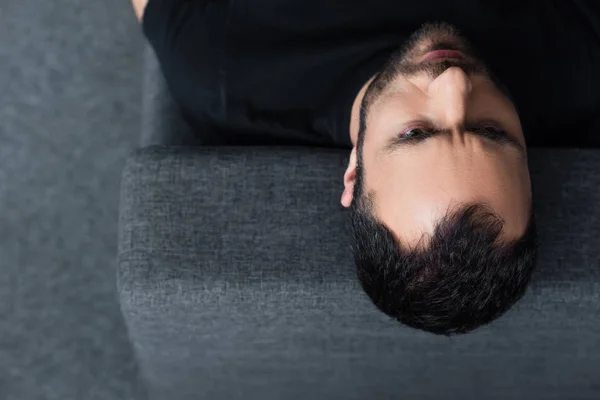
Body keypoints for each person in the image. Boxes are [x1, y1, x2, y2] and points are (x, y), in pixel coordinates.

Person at [130, 0, 600, 334]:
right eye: (493, 132)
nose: (454, 83)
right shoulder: (581, 64)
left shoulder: (223, 71)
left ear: (354, 172)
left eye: (415, 133)